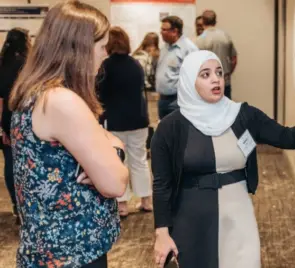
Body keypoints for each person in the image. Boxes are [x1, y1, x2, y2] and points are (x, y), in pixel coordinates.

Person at [151, 50, 295, 268]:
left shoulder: (243, 115)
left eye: (219, 73)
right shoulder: (170, 128)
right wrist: (162, 232)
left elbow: (287, 138)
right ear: (188, 81)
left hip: (238, 215)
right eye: (205, 75)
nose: (216, 79)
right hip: (191, 219)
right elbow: (162, 185)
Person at [8, 1, 129, 267]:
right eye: (101, 47)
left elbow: (108, 140)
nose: (105, 55)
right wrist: (115, 154)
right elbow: (116, 183)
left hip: (50, 249)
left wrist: (112, 147)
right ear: (80, 50)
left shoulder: (35, 93)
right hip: (72, 252)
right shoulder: (62, 101)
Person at [98, 26, 153, 217]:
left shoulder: (105, 66)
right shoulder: (135, 64)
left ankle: (122, 204)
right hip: (138, 119)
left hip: (116, 121)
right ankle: (146, 200)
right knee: (140, 160)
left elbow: (101, 95)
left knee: (119, 161)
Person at [0, 27, 30, 225]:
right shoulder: (27, 66)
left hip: (6, 122)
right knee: (26, 166)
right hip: (24, 121)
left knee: (10, 164)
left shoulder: (1, 63)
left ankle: (16, 207)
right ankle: (26, 207)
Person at [155, 16, 198, 119]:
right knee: (165, 132)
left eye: (164, 30)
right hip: (163, 99)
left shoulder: (189, 49)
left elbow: (194, 76)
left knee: (177, 132)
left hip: (177, 100)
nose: (161, 32)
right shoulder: (165, 47)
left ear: (175, 31)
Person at [196, 10, 237, 99]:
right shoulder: (225, 36)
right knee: (225, 111)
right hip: (224, 81)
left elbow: (196, 65)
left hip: (207, 84)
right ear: (215, 21)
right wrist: (228, 73)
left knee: (209, 111)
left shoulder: (199, 40)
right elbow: (233, 59)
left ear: (202, 21)